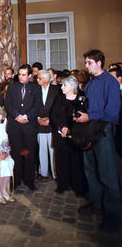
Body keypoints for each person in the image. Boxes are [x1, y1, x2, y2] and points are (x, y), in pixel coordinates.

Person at [76, 49, 121, 232]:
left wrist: (89, 116)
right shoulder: (90, 83)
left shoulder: (110, 82)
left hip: (103, 131)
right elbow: (86, 104)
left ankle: (113, 214)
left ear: (99, 63)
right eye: (86, 62)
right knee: (90, 168)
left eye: (89, 63)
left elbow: (112, 113)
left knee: (107, 172)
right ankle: (95, 203)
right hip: (89, 131)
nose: (86, 66)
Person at [5, 64, 42, 191]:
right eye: (19, 74)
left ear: (30, 75)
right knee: (15, 154)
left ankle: (29, 181)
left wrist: (26, 116)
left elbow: (37, 106)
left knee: (29, 155)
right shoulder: (12, 87)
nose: (20, 77)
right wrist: (16, 116)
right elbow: (8, 104)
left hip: (29, 126)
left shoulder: (36, 88)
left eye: (24, 75)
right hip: (15, 126)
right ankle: (16, 180)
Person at [50, 75, 87, 196]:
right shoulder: (59, 99)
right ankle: (62, 184)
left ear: (72, 86)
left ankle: (78, 186)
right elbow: (53, 116)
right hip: (61, 136)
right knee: (61, 161)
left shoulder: (82, 99)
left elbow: (83, 117)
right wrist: (61, 128)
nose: (62, 88)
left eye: (64, 85)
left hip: (76, 136)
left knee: (77, 163)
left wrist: (70, 129)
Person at [36, 70, 59, 180]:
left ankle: (56, 174)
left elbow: (59, 107)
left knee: (53, 150)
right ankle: (43, 172)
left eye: (39, 78)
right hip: (39, 123)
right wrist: (37, 118)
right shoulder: (35, 90)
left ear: (46, 79)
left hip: (52, 124)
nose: (37, 80)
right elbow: (32, 106)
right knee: (42, 149)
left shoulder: (56, 90)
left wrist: (51, 119)